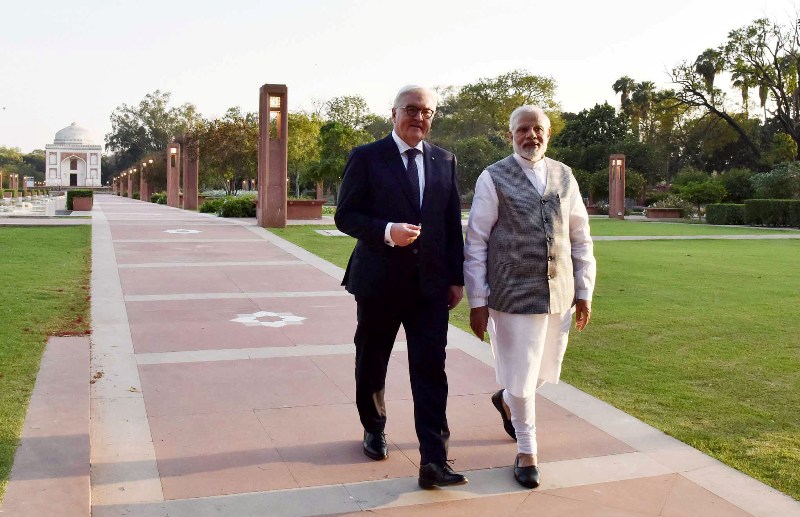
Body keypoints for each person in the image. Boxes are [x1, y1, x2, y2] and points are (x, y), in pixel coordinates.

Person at [335, 85, 468, 489]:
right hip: (378, 283)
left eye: (427, 111)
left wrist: (456, 277)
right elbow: (346, 215)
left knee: (431, 370)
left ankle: (434, 461)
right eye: (411, 109)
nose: (419, 117)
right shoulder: (367, 157)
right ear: (393, 113)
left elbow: (449, 225)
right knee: (372, 360)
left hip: (429, 287)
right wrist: (387, 231)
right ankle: (373, 426)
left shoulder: (444, 160)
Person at [463, 105, 596, 489]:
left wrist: (584, 291)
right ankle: (527, 451)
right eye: (523, 129)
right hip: (511, 293)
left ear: (548, 134)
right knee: (522, 378)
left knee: (543, 371)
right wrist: (477, 300)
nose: (530, 136)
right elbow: (477, 242)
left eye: (537, 129)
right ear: (511, 135)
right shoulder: (493, 177)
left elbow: (580, 236)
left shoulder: (564, 175)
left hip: (558, 293)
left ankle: (506, 399)